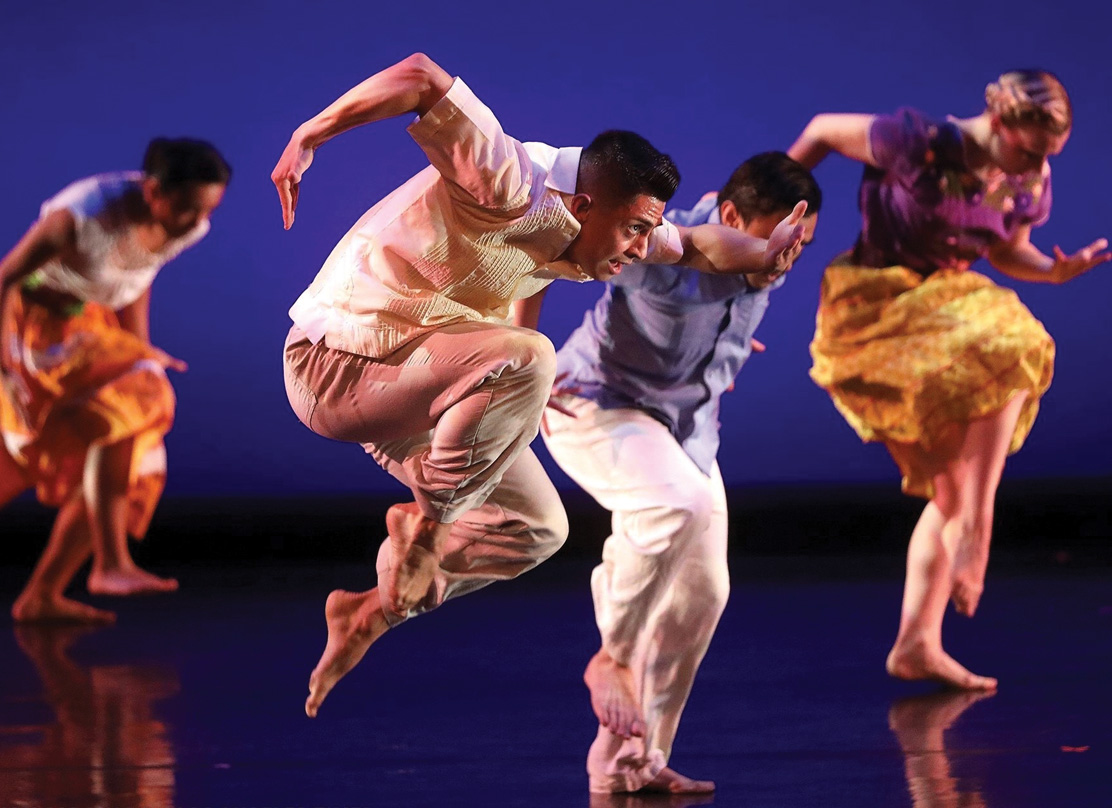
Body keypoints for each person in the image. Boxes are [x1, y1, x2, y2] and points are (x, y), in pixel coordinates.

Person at [271, 53, 808, 719]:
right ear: (583, 204)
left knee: (536, 528)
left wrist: (765, 255)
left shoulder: (605, 227)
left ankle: (368, 613)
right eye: (635, 229)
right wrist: (310, 134)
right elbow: (420, 78)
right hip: (335, 365)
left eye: (648, 230)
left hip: (423, 388)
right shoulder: (510, 179)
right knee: (528, 357)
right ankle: (428, 534)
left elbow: (696, 246)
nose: (642, 248)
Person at [787, 69, 1108, 689]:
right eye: (1028, 148)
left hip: (943, 306)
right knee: (1015, 342)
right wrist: (781, 206)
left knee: (953, 487)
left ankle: (916, 643)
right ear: (999, 119)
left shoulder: (1027, 175)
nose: (1035, 165)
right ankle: (978, 529)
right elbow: (823, 130)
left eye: (1046, 155)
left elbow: (1008, 251)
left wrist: (1055, 271)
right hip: (877, 302)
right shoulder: (920, 143)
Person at [538, 152, 821, 794]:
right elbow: (555, 253)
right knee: (679, 504)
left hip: (683, 431)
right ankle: (609, 656)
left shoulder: (762, 266)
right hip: (593, 403)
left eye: (798, 247)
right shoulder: (662, 249)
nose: (783, 259)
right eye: (774, 240)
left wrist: (719, 338)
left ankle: (630, 763)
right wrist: (523, 354)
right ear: (730, 216)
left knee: (703, 591)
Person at [0, 138, 231, 623]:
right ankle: (110, 562)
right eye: (186, 207)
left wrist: (138, 351)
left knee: (127, 444)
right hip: (28, 328)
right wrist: (1, 369)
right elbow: (7, 279)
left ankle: (41, 595)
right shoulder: (83, 214)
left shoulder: (187, 227)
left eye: (205, 209)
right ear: (151, 192)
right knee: (142, 400)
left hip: (87, 327)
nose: (195, 221)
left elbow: (136, 278)